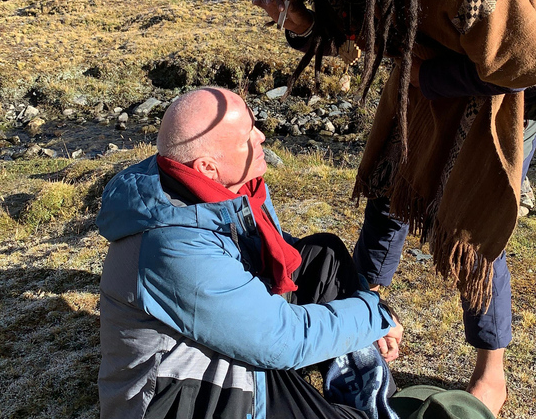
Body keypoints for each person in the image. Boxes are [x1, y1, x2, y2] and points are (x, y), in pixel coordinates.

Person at [252, 0, 536, 415]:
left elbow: (527, 65)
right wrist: (301, 24)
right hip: (431, 73)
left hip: (510, 88)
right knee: (392, 191)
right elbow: (353, 36)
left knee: (469, 224)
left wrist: (423, 82)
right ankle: (361, 320)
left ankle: (491, 374)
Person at [95, 87, 404, 419]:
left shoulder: (228, 186)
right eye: (247, 137)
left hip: (222, 342)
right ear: (208, 167)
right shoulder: (171, 246)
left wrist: (367, 317)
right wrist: (375, 315)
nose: (262, 136)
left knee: (323, 258)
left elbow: (261, 249)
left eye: (254, 124)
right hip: (189, 397)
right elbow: (283, 339)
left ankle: (367, 392)